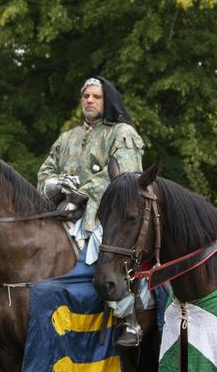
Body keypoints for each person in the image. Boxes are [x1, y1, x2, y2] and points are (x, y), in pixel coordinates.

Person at [37, 76, 148, 346]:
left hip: (106, 213)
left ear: (107, 100)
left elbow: (125, 175)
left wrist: (80, 193)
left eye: (96, 96)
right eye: (86, 96)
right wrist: (56, 185)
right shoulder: (67, 138)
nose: (89, 100)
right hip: (62, 211)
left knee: (107, 246)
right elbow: (45, 172)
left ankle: (130, 317)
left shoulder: (122, 132)